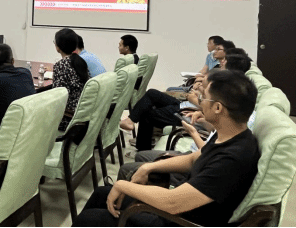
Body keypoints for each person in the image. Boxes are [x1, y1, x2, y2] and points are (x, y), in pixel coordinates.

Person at [73, 69, 259, 228]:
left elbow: (172, 202)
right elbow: (193, 159)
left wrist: (124, 185)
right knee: (101, 194)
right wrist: (149, 167)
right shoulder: (230, 136)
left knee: (89, 219)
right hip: (178, 209)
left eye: (203, 98)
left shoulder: (233, 158)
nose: (200, 102)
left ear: (218, 108)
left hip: (178, 220)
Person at [117, 53, 255, 184]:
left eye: (204, 98)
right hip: (195, 155)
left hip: (193, 166)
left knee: (127, 168)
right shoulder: (232, 129)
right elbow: (202, 154)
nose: (221, 60)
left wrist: (194, 128)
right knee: (140, 156)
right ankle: (132, 126)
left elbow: (203, 161)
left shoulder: (232, 151)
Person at [52, 28, 90, 131]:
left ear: (58, 47)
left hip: (67, 119)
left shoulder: (61, 65)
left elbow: (57, 96)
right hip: (82, 114)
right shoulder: (81, 61)